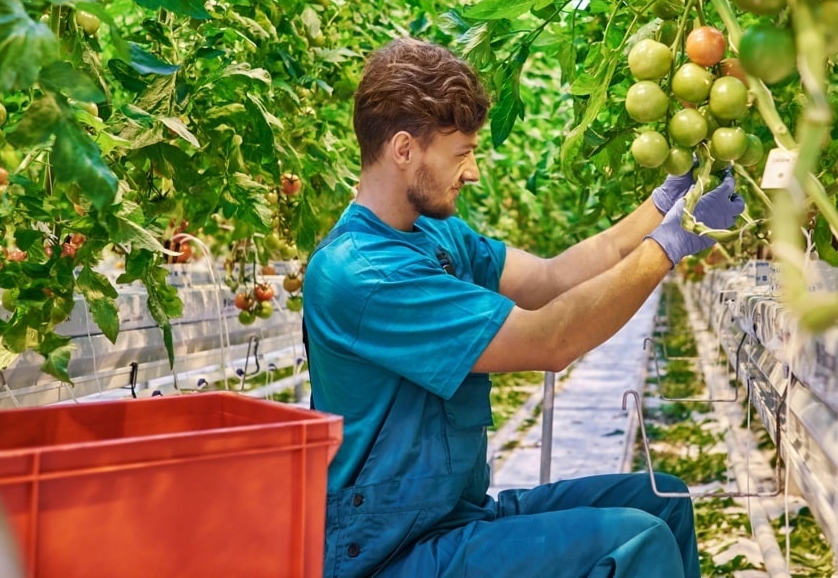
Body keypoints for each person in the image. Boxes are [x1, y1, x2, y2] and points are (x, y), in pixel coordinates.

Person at [304, 38, 746, 577]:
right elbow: (550, 339)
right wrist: (668, 247)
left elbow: (550, 279)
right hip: (388, 552)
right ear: (403, 150)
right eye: (461, 153)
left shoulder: (437, 235)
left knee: (665, 502)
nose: (472, 172)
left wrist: (661, 206)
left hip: (455, 517)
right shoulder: (361, 272)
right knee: (633, 541)